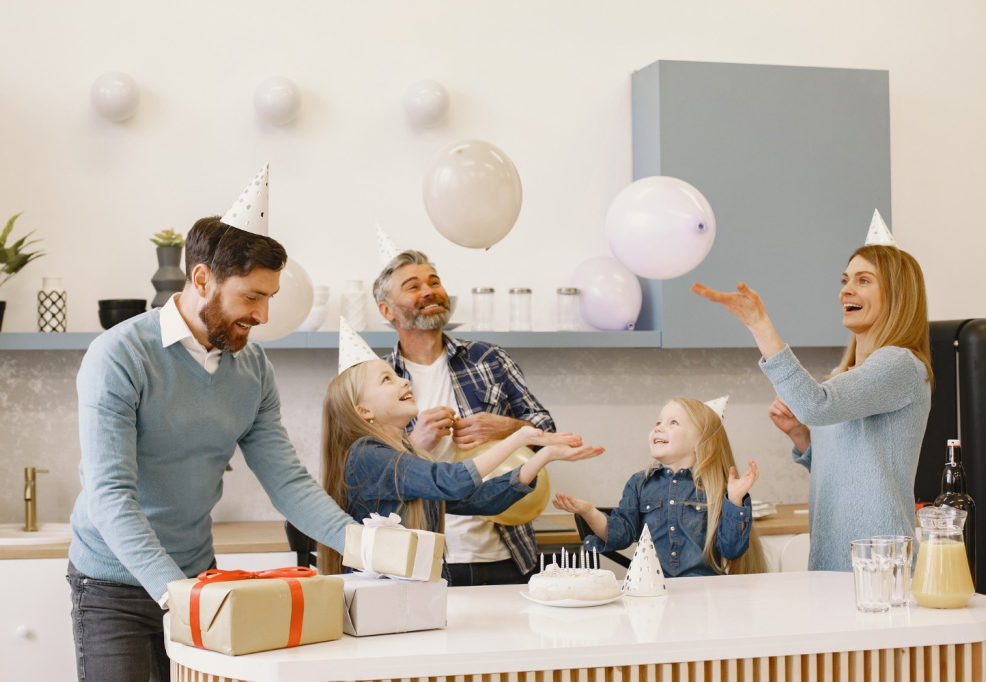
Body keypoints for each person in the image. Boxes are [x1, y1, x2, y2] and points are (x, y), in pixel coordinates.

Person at [67, 216, 356, 682]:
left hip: (199, 577)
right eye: (252, 296)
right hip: (112, 586)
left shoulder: (253, 368)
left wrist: (366, 541)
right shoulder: (119, 356)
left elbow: (287, 482)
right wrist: (176, 592)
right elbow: (110, 497)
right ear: (202, 278)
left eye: (270, 298)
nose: (263, 316)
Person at [691, 239, 933, 571]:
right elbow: (846, 465)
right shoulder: (844, 375)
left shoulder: (900, 365)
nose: (845, 291)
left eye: (863, 280)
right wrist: (802, 437)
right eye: (845, 280)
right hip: (833, 557)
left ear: (898, 295)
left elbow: (816, 404)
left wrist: (760, 325)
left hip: (880, 564)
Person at [316, 346, 604, 578]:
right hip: (383, 600)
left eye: (396, 375)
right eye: (386, 379)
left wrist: (543, 455)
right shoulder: (367, 455)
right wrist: (517, 438)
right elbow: (450, 481)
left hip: (413, 597)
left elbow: (478, 500)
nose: (404, 380)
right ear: (364, 410)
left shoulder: (403, 456)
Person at [374, 249, 557, 586]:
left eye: (435, 282)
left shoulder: (489, 359)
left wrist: (511, 427)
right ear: (386, 310)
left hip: (506, 552)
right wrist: (415, 445)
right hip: (420, 558)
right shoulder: (376, 380)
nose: (429, 291)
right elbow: (362, 475)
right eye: (412, 286)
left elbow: (547, 430)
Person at [553, 397, 766, 576]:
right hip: (652, 593)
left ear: (702, 441)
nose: (659, 427)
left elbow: (731, 550)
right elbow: (620, 535)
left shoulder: (719, 489)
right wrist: (589, 512)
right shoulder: (639, 483)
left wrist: (735, 501)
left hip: (704, 596)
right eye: (658, 422)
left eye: (673, 422)